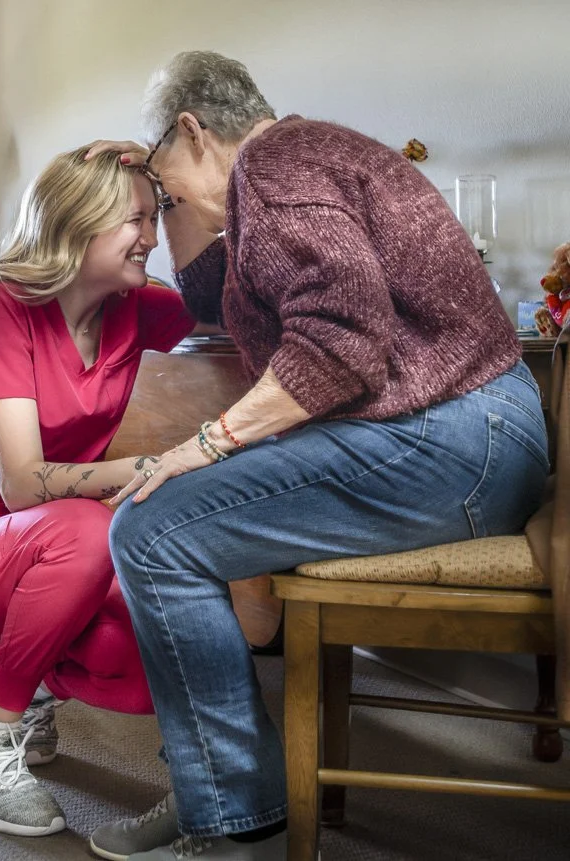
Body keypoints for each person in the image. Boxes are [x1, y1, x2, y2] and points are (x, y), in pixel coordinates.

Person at [85, 51, 549, 860]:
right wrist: (165, 184)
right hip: (485, 438)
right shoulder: (302, 159)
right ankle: (216, 793)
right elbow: (213, 295)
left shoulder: (275, 170)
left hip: (452, 440)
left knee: (152, 530)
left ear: (192, 130)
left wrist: (207, 443)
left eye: (161, 165)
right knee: (166, 524)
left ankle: (234, 819)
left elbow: (341, 347)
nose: (160, 192)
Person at [0, 146, 195, 838]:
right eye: (135, 220)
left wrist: (170, 173)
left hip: (59, 558)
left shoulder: (141, 309)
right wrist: (143, 467)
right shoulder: (0, 305)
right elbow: (23, 484)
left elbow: (228, 305)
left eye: (156, 217)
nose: (150, 237)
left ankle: (48, 703)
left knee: (165, 622)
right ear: (77, 222)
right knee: (87, 529)